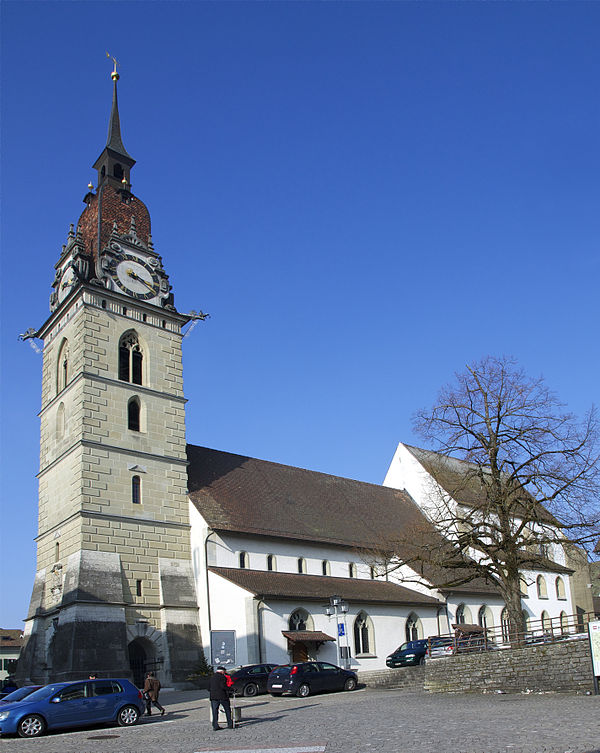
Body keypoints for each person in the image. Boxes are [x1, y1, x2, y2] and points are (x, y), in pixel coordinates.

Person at [209, 666, 234, 730]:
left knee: (214, 711)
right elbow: (223, 686)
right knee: (227, 710)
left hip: (213, 697)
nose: (224, 673)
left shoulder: (212, 677)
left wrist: (213, 691)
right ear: (222, 671)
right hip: (222, 696)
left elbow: (208, 687)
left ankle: (215, 726)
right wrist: (231, 689)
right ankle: (230, 724)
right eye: (224, 671)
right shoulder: (223, 677)